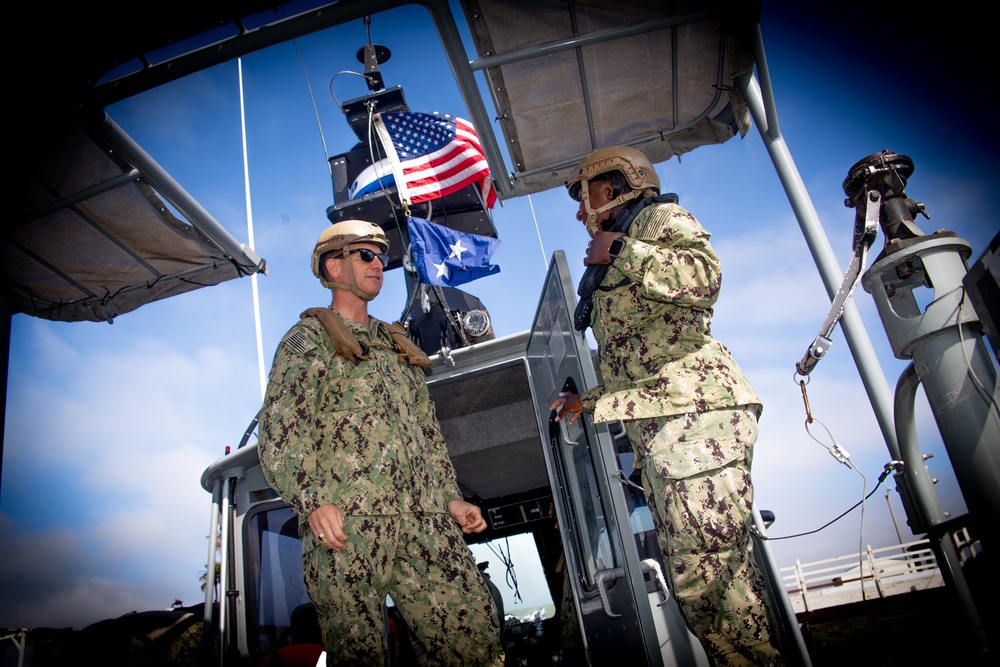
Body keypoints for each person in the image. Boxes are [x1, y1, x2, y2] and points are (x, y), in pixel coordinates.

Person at [550, 146, 784, 666]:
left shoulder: (657, 218)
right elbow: (641, 359)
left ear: (613, 186)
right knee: (699, 582)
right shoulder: (626, 237)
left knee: (711, 583)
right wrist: (584, 402)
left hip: (694, 420)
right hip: (667, 425)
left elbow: (705, 279)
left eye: (583, 196)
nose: (579, 212)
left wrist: (621, 254)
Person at [257, 219, 504, 667]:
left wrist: (449, 499)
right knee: (358, 654)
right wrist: (313, 502)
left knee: (475, 636)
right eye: (366, 255)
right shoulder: (307, 341)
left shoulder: (396, 346)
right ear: (334, 265)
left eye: (381, 257)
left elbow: (427, 436)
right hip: (348, 530)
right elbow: (280, 431)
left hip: (424, 520)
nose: (379, 265)